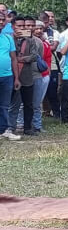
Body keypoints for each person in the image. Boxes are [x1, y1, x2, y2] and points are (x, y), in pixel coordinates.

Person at [9, 16, 42, 136]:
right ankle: (10, 127)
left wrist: (20, 59)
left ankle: (28, 128)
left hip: (27, 75)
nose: (22, 28)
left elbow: (34, 56)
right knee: (12, 104)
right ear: (13, 27)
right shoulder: (8, 39)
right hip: (11, 75)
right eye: (19, 26)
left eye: (23, 26)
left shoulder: (31, 40)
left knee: (28, 104)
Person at [0, 11, 19, 140]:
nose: (1, 22)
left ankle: (3, 130)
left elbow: (13, 59)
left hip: (7, 76)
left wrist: (16, 77)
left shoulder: (8, 38)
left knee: (4, 105)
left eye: (3, 20)